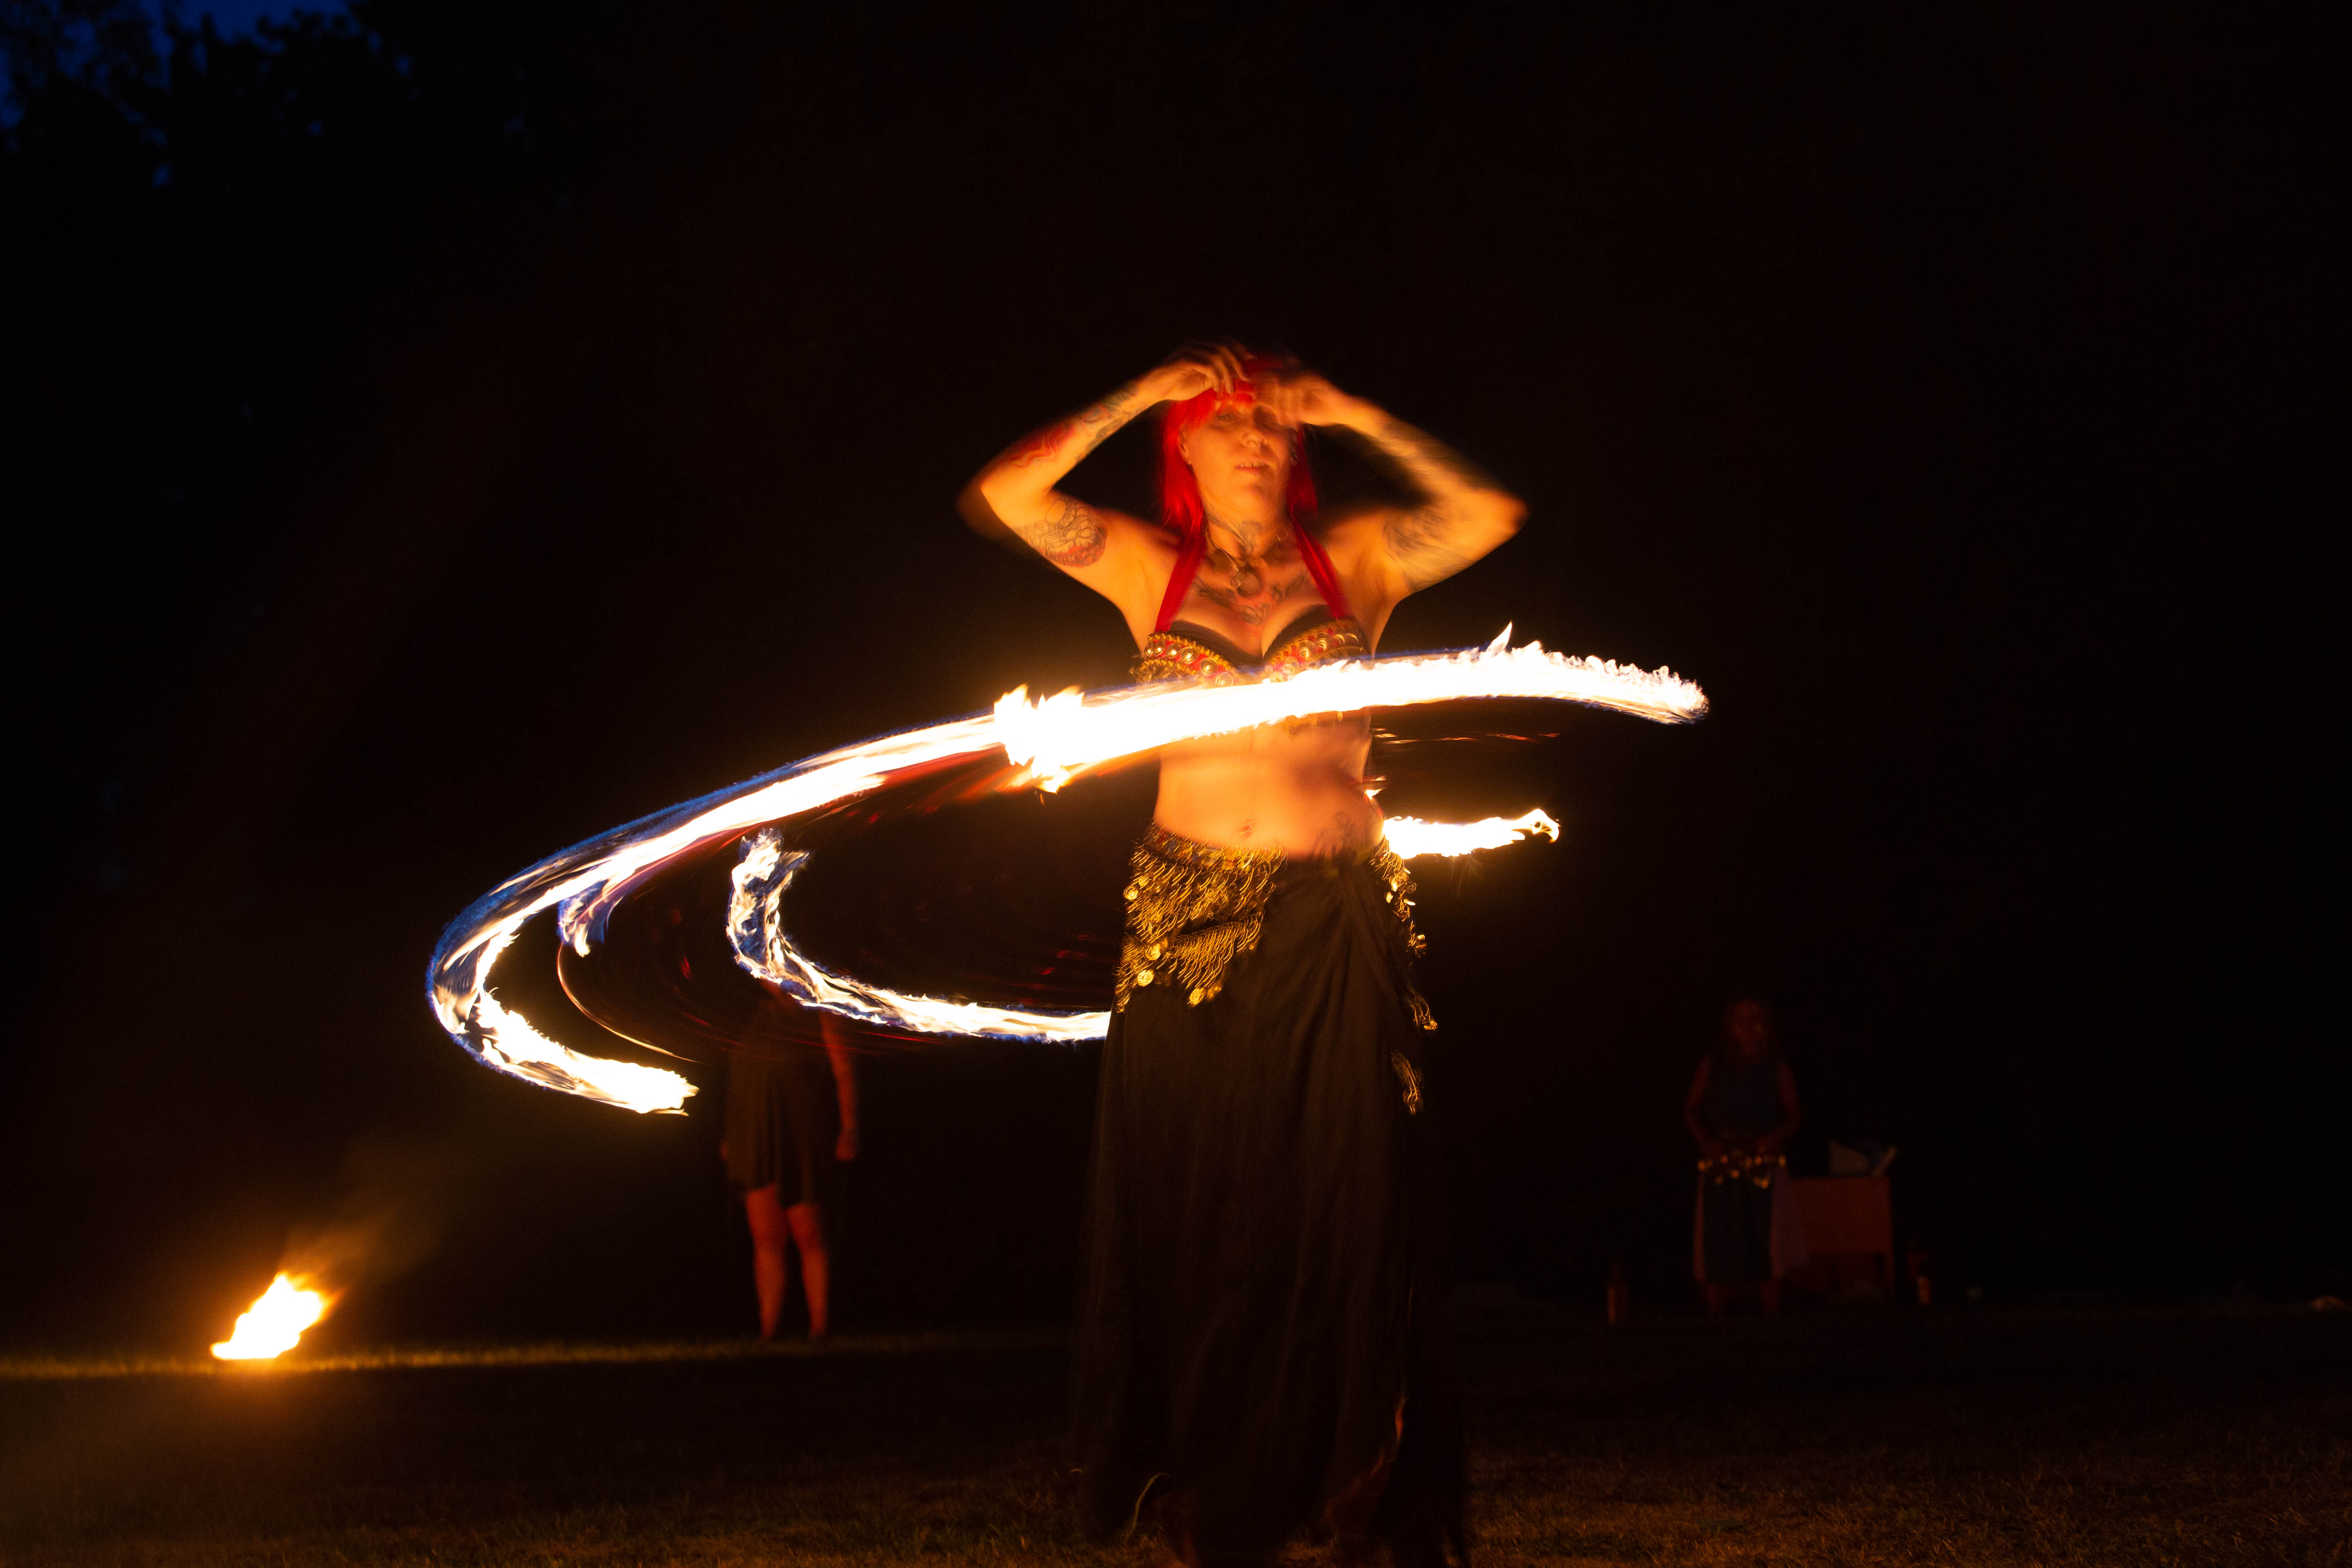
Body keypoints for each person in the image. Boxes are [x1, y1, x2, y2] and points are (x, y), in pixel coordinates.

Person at [964, 343, 1523, 1567]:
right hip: (1185, 921)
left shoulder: (1355, 560)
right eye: (1226, 420)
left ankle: (1358, 1473)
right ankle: (1209, 1475)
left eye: (1273, 421)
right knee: (1205, 1197)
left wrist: (1359, 406)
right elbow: (1005, 498)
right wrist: (1135, 392)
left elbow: (1489, 513)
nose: (1256, 437)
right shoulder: (1149, 569)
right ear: (1185, 445)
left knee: (1350, 1189)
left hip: (1336, 913)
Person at [721, 989, 859, 1339]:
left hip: (801, 1136)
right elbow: (740, 1082)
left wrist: (849, 1127)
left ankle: (820, 1329)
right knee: (766, 1236)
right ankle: (768, 1332)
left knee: (809, 1232)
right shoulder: (752, 1015)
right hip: (756, 1136)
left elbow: (844, 1070)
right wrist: (733, 1135)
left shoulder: (819, 1010)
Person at [1684, 993, 1804, 1316]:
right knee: (1718, 1231)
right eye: (1740, 1019)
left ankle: (1771, 1313)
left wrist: (1774, 1137)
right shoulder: (1712, 1064)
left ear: (1766, 1025)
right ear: (1730, 1026)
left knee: (1766, 1235)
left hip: (1762, 1158)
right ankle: (1716, 1314)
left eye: (1755, 1019)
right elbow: (1691, 1109)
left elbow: (1794, 1115)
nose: (1749, 1026)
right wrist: (1707, 1141)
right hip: (1721, 1157)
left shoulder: (1777, 1068)